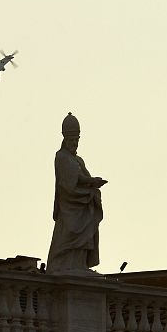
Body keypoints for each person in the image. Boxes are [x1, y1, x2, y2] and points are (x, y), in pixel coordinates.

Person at [47, 112, 107, 275]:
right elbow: (69, 181)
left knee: (88, 223)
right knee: (69, 232)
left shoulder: (78, 160)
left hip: (82, 203)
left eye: (76, 140)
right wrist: (90, 181)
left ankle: (80, 264)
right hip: (70, 202)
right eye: (71, 140)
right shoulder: (61, 156)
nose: (74, 143)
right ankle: (65, 264)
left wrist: (92, 182)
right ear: (65, 139)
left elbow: (82, 176)